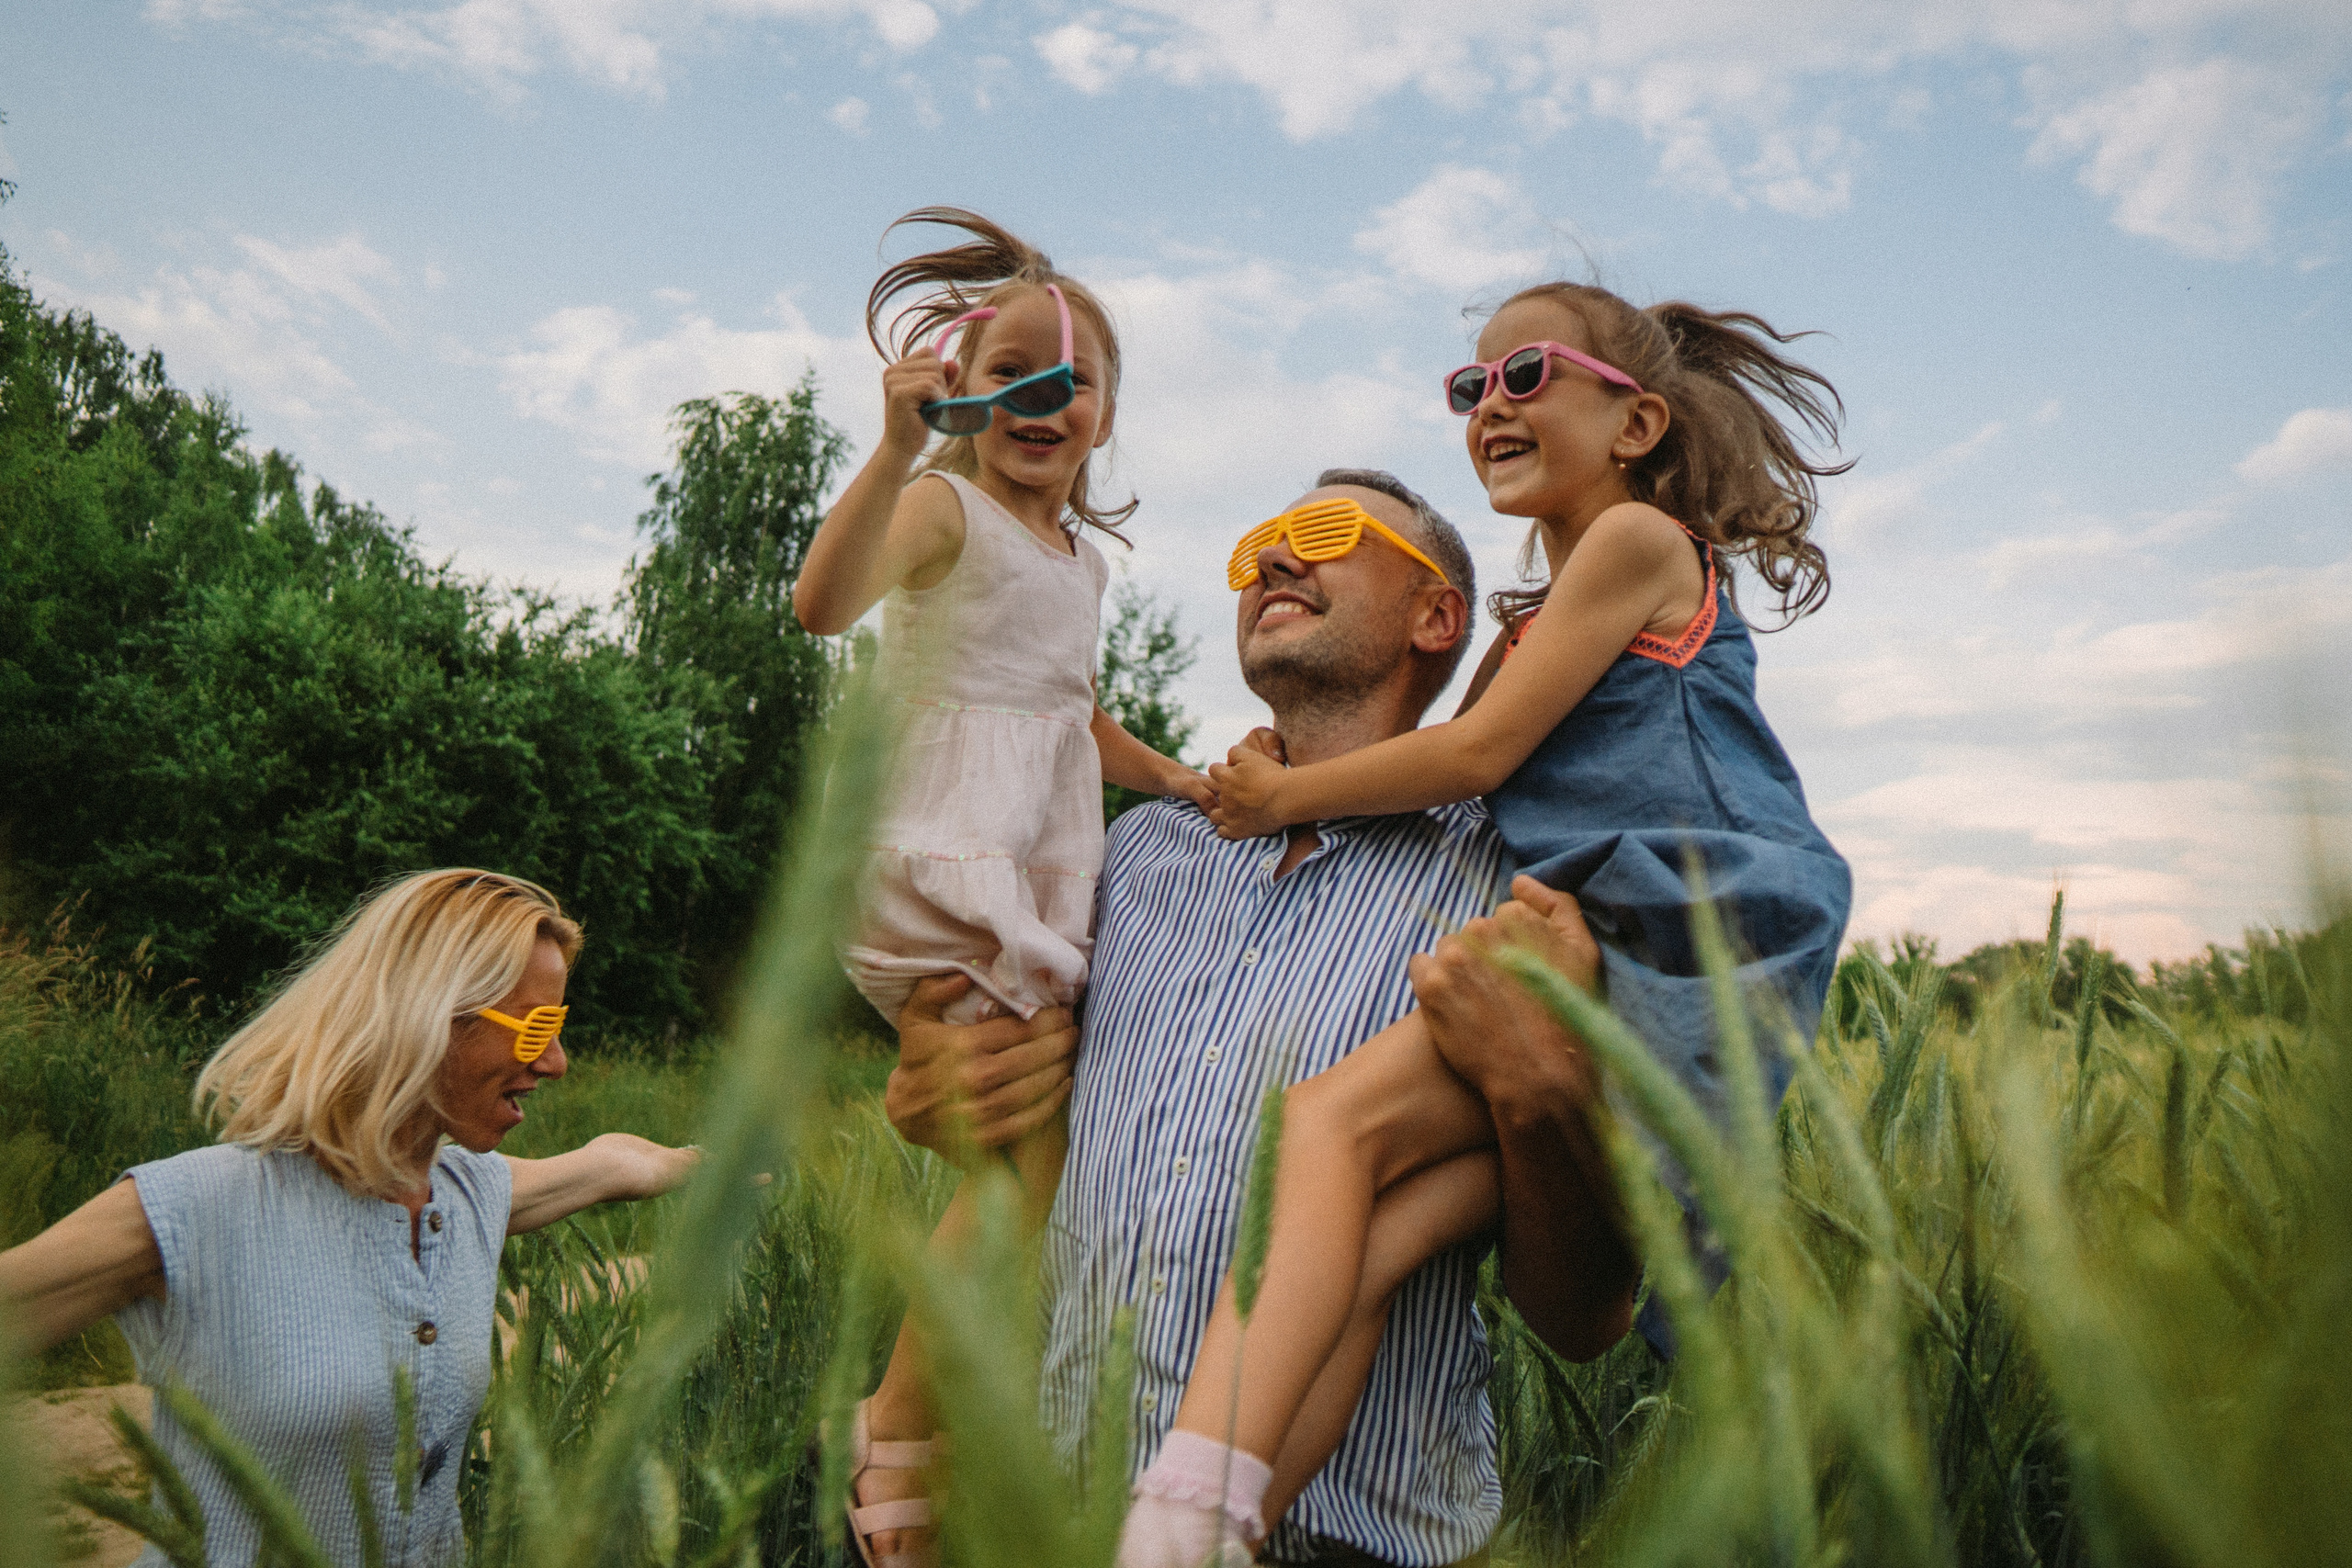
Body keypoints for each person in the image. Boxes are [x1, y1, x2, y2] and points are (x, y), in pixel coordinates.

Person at [1124, 285, 1856, 1565]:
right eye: (1470, 389)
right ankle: (1215, 1528)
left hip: (1676, 923)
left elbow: (1474, 754)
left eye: (1523, 373)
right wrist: (1275, 769)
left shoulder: (1637, 543)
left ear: (1635, 420)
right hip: (1604, 924)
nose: (1487, 405)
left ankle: (1181, 1504)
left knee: (1320, 1120)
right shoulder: (1533, 622)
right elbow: (1434, 750)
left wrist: (1284, 791)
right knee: (1372, 1244)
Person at [887, 469, 1640, 1568]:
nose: (1276, 561)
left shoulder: (1519, 886)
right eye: (1255, 550)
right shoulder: (1130, 851)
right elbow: (993, 1109)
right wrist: (934, 1083)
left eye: (1325, 534)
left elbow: (1584, 1321)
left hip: (1351, 1543)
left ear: (1438, 617)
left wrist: (1549, 1094)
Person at [791, 208, 1212, 1568]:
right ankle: (902, 1426)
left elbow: (1074, 721)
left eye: (1071, 377)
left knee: (1039, 1143)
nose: (1044, 397)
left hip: (1036, 853)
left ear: (1102, 414)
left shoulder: (1084, 562)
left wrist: (1186, 783)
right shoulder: (942, 508)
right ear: (962, 393)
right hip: (945, 854)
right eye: (1012, 372)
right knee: (1030, 1153)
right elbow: (823, 601)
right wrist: (893, 449)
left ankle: (965, 1403)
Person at [0, 869, 698, 1568]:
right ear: (428, 1015)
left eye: (560, 1025)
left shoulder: (469, 1193)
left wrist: (700, 1164)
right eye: (538, 1026)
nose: (558, 1061)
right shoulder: (199, 1209)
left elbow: (608, 1163)